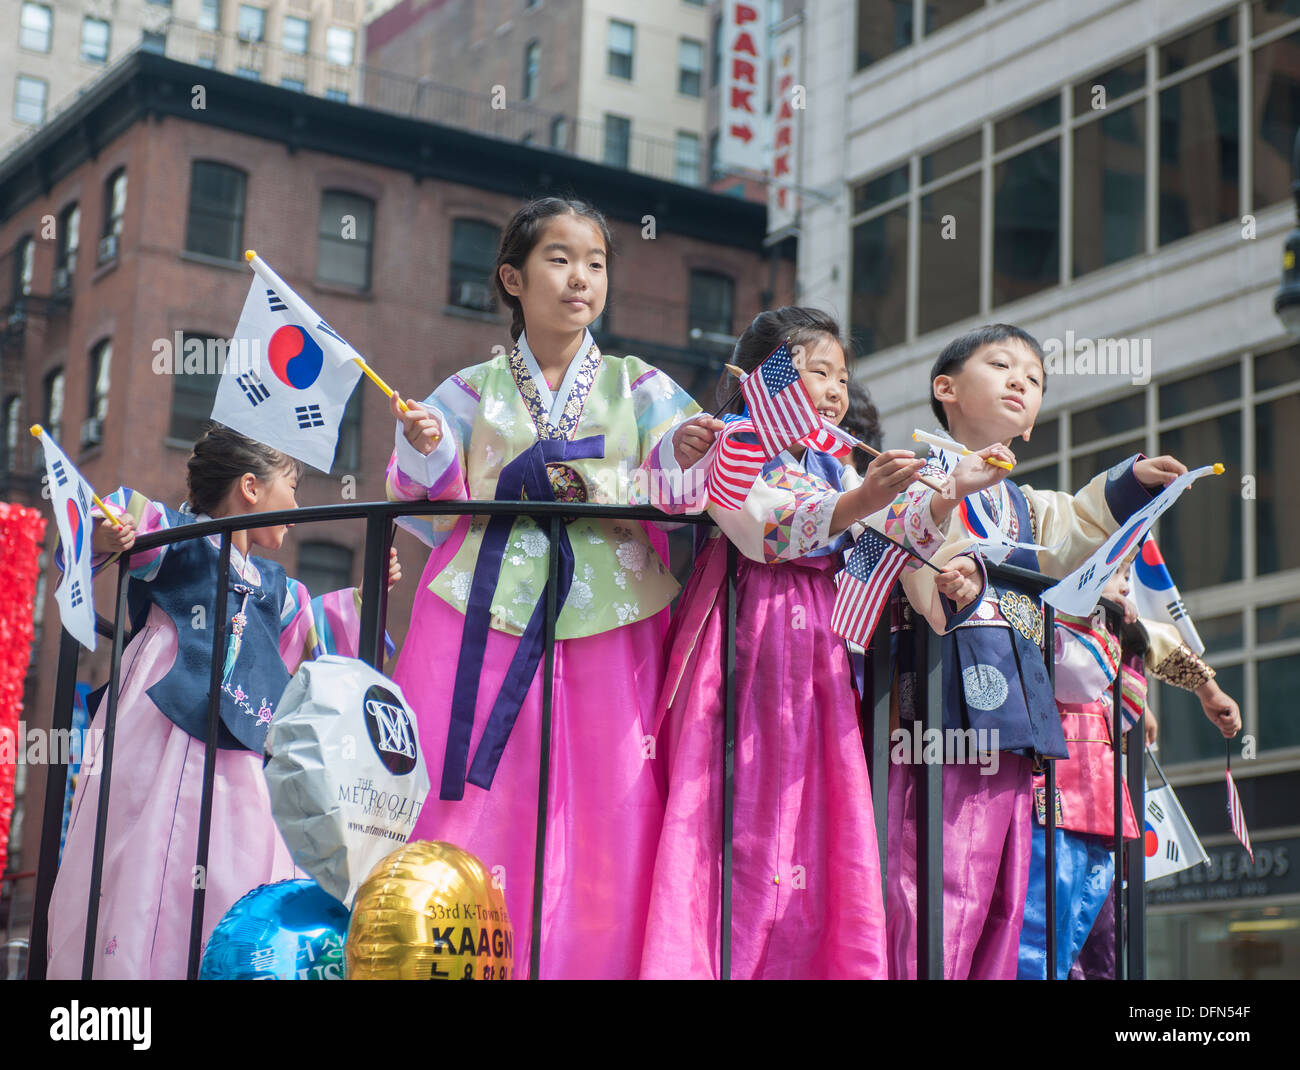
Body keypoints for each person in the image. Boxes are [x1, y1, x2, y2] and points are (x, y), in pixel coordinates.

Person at [384, 196, 715, 978]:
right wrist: (425, 443)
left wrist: (692, 445)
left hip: (612, 609)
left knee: (614, 790)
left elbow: (682, 480)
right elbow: (419, 489)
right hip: (484, 608)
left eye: (595, 264)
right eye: (560, 259)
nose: (581, 278)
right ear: (512, 277)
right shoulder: (471, 388)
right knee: (469, 788)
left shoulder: (642, 385)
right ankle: (451, 946)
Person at [636, 306, 950, 978]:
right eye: (817, 371)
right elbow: (762, 532)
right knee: (736, 800)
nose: (836, 388)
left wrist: (949, 498)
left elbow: (887, 543)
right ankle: (720, 957)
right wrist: (862, 504)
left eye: (842, 375)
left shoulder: (835, 461)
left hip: (820, 646)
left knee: (814, 803)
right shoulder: (735, 440)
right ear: (764, 380)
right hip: (748, 625)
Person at [882, 323, 1188, 979]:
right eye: (1001, 365)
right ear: (947, 388)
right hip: (939, 717)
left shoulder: (1023, 503)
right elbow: (910, 550)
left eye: (1036, 379)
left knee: (1004, 898)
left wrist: (1130, 480)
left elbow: (1077, 526)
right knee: (936, 888)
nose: (1022, 381)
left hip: (1011, 724)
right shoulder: (915, 476)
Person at [46, 425, 397, 979]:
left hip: (240, 749)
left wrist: (365, 597)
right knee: (144, 847)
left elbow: (312, 649)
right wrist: (107, 534)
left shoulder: (277, 587)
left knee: (235, 855)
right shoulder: (176, 537)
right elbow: (109, 516)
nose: (297, 503)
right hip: (161, 723)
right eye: (293, 486)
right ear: (252, 488)